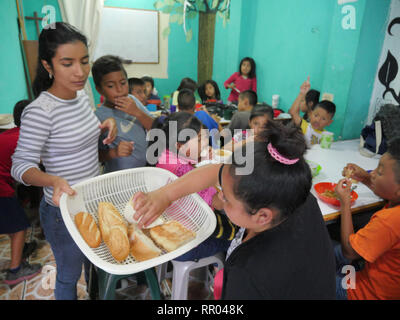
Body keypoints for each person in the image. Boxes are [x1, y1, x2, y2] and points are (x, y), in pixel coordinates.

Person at [132, 121, 336, 299]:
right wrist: (165, 195)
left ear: (262, 216)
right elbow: (217, 172)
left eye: (227, 199)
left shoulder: (249, 274)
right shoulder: (297, 197)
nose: (220, 196)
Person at [11, 22, 117, 300]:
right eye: (67, 63)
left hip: (93, 198)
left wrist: (103, 124)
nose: (80, 72)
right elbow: (20, 166)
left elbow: (80, 133)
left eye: (84, 61)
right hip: (63, 211)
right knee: (69, 276)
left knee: (94, 262)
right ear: (48, 65)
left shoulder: (82, 97)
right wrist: (53, 180)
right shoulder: (40, 111)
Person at [147, 112, 231, 261]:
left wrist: (202, 156)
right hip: (189, 241)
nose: (205, 143)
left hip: (169, 227)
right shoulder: (181, 170)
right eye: (200, 139)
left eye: (204, 137)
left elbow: (188, 157)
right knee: (237, 235)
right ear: (179, 145)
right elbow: (217, 203)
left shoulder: (164, 155)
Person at [334, 136, 400, 300]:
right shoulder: (396, 202)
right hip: (374, 272)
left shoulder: (390, 221)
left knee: (313, 276)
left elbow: (349, 251)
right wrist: (364, 178)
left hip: (363, 293)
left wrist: (345, 204)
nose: (373, 175)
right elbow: (390, 192)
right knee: (331, 254)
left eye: (380, 172)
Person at [1, 100, 42, 286]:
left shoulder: (10, 134)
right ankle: (15, 271)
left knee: (12, 221)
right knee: (19, 227)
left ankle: (20, 251)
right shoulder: (26, 139)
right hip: (1, 188)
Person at [92, 55, 154, 173]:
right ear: (99, 90)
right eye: (111, 86)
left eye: (123, 83)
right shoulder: (98, 117)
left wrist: (137, 112)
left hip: (142, 172)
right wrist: (113, 152)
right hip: (118, 179)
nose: (119, 89)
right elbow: (94, 155)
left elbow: (155, 128)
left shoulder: (132, 100)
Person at [289, 78, 335, 146]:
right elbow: (293, 112)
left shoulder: (327, 136)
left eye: (323, 119)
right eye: (316, 115)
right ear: (311, 114)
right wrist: (301, 94)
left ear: (329, 122)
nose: (318, 120)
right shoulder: (306, 127)